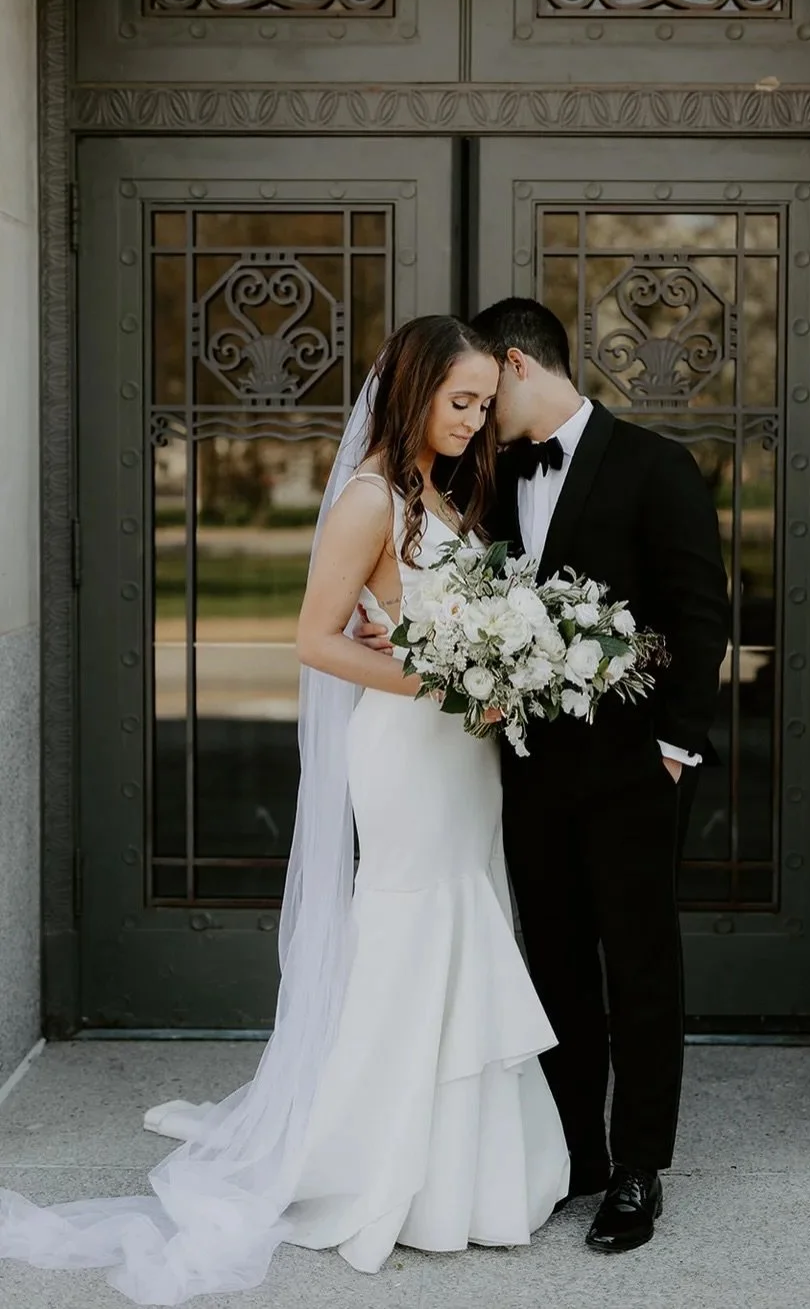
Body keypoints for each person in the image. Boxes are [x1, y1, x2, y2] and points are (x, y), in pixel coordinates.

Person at [0, 315, 569, 1303]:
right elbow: (314, 639)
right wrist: (444, 681)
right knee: (411, 928)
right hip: (407, 753)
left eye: (485, 405)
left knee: (466, 911)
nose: (476, 422)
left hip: (462, 759)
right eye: (461, 402)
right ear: (414, 392)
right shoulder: (367, 499)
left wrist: (493, 666)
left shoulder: (440, 491)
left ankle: (468, 1169)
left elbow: (415, 622)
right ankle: (378, 1163)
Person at [359, 298, 730, 1252]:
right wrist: (391, 625)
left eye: (488, 391)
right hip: (522, 774)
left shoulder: (655, 465)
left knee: (639, 966)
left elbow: (700, 617)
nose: (480, 413)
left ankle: (639, 1166)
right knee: (554, 963)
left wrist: (673, 750)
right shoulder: (487, 476)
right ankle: (576, 1150)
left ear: (518, 363)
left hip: (635, 772)